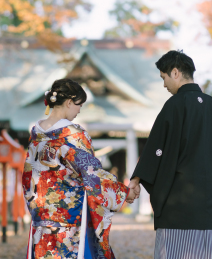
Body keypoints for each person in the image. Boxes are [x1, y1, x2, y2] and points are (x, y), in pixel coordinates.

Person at [129, 50, 212, 259]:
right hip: (209, 202)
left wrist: (137, 178)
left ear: (175, 73)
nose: (164, 85)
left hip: (178, 203)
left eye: (164, 77)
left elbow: (157, 147)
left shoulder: (174, 105)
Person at [22, 78, 138, 259]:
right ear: (69, 102)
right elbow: (93, 175)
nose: (79, 110)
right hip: (69, 220)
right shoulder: (73, 135)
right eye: (79, 105)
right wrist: (123, 192)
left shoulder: (36, 134)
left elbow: (28, 177)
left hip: (42, 218)